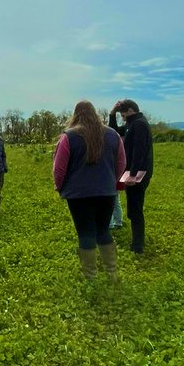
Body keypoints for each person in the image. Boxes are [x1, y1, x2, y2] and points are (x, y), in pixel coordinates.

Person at [53, 100, 126, 279]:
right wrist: (113, 183)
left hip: (78, 195)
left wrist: (60, 187)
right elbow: (121, 163)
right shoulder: (113, 135)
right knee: (103, 231)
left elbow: (59, 169)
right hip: (106, 192)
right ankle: (112, 273)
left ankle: (90, 276)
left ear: (76, 115)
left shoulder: (68, 137)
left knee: (85, 232)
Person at [109, 98, 154, 253]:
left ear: (130, 111)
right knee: (133, 208)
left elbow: (139, 152)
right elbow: (114, 131)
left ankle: (137, 246)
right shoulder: (132, 123)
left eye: (122, 113)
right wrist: (112, 114)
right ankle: (137, 242)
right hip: (134, 172)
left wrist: (132, 176)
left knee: (135, 208)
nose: (122, 117)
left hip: (138, 173)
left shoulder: (139, 124)